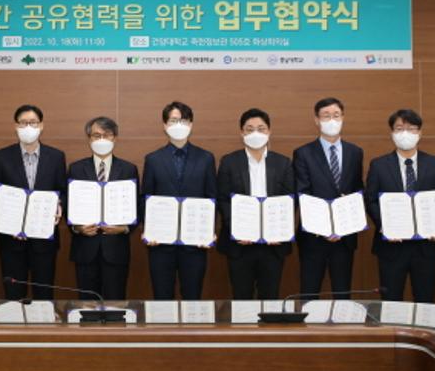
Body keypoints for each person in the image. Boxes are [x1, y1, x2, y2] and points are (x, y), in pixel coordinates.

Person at [365, 109, 435, 303]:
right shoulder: (378, 165)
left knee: (426, 301)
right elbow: (371, 200)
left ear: (420, 133)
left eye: (411, 129)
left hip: (426, 246)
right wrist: (385, 226)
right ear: (392, 133)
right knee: (391, 301)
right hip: (392, 246)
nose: (405, 133)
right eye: (399, 128)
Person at [217, 108, 295, 299]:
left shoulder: (283, 163)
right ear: (242, 132)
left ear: (269, 131)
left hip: (273, 245)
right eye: (250, 129)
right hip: (240, 244)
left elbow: (290, 200)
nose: (255, 134)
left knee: (270, 297)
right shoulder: (229, 162)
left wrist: (279, 230)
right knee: (241, 298)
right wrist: (238, 230)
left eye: (261, 128)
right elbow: (223, 200)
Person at [142, 101, 217, 300]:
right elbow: (146, 199)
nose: (178, 125)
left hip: (195, 244)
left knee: (192, 297)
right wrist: (148, 230)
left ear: (191, 124)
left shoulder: (206, 158)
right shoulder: (153, 159)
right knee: (162, 298)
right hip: (160, 244)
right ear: (164, 125)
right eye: (173, 120)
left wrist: (209, 232)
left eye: (183, 120)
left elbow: (211, 198)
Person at [0, 104, 67, 300]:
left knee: (44, 296)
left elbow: (63, 191)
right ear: (16, 126)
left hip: (44, 241)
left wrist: (60, 205)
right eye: (23, 123)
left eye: (33, 123)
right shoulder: (1, 157)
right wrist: (7, 223)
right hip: (11, 241)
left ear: (41, 125)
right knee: (14, 296)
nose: (28, 127)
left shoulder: (56, 157)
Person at [292, 98, 364, 299]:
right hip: (313, 237)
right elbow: (302, 193)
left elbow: (358, 189)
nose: (332, 120)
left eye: (336, 115)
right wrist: (324, 227)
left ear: (343, 118)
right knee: (309, 294)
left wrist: (346, 217)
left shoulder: (355, 152)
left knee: (343, 294)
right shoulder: (303, 153)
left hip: (345, 237)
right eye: (326, 116)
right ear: (316, 120)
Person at [67, 116, 139, 300]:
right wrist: (78, 228)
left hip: (116, 249)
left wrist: (124, 228)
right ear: (89, 139)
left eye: (106, 135)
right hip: (85, 249)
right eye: (96, 135)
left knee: (116, 304)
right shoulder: (75, 169)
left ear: (115, 138)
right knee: (87, 307)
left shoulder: (128, 169)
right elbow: (68, 205)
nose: (101, 140)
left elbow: (137, 207)